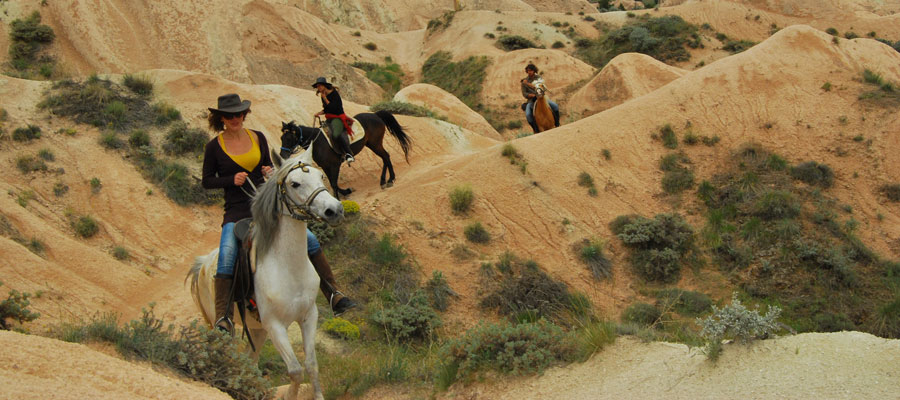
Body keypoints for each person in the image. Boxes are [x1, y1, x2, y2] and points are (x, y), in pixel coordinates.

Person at [202, 94, 355, 334]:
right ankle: (224, 316)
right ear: (222, 118)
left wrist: (268, 170)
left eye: (239, 114)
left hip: (267, 205)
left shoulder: (258, 137)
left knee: (311, 240)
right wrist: (230, 179)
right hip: (237, 210)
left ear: (244, 115)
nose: (235, 119)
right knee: (227, 253)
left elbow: (270, 168)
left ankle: (334, 293)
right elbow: (207, 181)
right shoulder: (214, 147)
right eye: (230, 115)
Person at [312, 77, 355, 164]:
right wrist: (319, 113)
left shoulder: (334, 94)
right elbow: (327, 109)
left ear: (324, 86)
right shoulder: (323, 96)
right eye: (317, 86)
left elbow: (334, 108)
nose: (318, 88)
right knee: (322, 133)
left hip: (338, 117)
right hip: (329, 117)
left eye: (320, 86)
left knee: (336, 134)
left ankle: (348, 153)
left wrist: (325, 98)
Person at [520, 63, 560, 133]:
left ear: (534, 71)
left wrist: (529, 84)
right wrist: (532, 95)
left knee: (555, 106)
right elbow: (524, 93)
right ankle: (535, 129)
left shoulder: (539, 78)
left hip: (542, 98)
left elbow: (542, 87)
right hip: (531, 100)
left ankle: (557, 123)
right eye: (528, 71)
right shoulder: (524, 81)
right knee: (528, 115)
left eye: (531, 70)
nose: (530, 72)